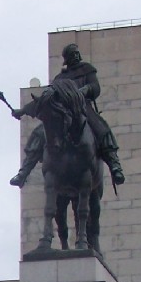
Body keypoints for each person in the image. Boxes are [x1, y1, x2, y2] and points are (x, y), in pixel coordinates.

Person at [49, 43, 124, 185]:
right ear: (67, 59)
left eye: (77, 53)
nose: (76, 56)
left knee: (102, 128)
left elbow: (96, 87)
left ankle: (114, 165)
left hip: (84, 107)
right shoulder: (59, 78)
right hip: (65, 112)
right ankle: (27, 168)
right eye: (73, 54)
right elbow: (53, 96)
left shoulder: (87, 69)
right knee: (43, 133)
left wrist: (87, 89)